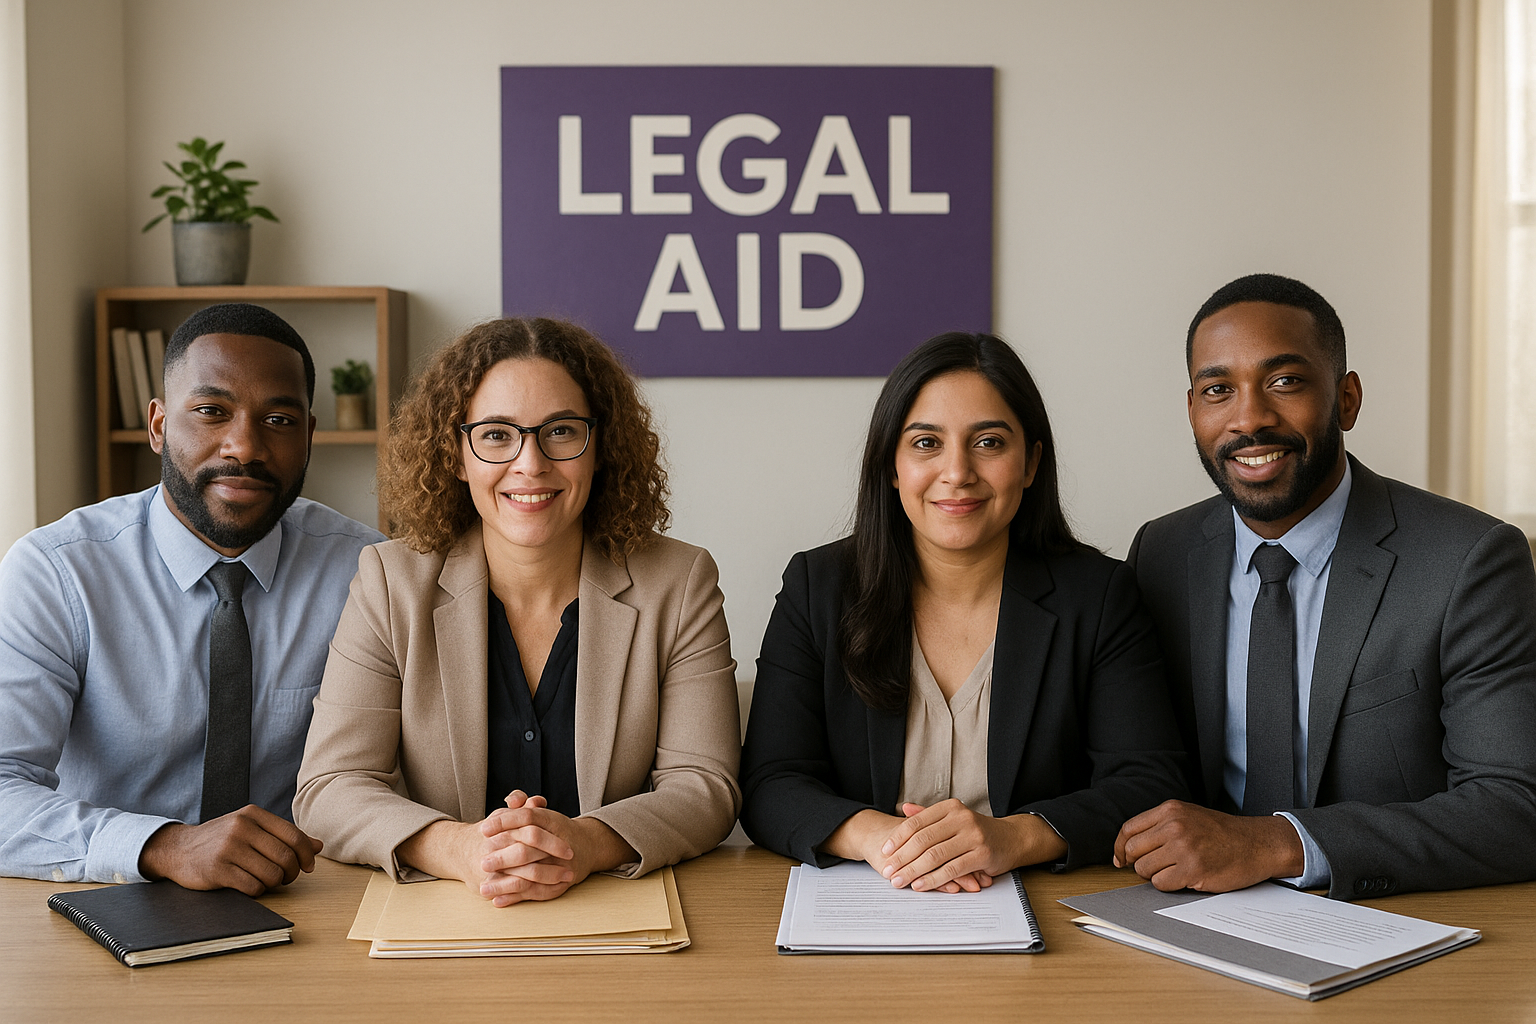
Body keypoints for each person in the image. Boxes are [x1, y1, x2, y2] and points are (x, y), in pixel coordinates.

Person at [1115, 273, 1536, 899]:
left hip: (1396, 929)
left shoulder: (1471, 561)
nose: (1250, 417)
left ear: (1346, 399)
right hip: (1192, 922)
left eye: (1285, 382)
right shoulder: (1161, 554)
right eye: (1218, 390)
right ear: (1193, 411)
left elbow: (1516, 808)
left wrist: (1273, 845)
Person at [294, 317, 740, 905]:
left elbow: (705, 787)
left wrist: (586, 843)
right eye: (498, 435)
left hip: (616, 912)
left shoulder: (678, 582)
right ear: (455, 454)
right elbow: (329, 788)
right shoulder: (390, 580)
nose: (530, 463)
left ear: (600, 446)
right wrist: (459, 848)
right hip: (449, 915)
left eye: (559, 431)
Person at [739, 332, 1186, 893]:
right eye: (926, 443)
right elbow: (769, 783)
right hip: (869, 903)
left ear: (1030, 463)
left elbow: (1149, 781)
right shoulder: (817, 588)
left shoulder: (1099, 596)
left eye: (990, 443)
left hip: (1045, 915)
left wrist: (1014, 837)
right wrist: (881, 840)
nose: (957, 472)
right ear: (892, 466)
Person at [0, 303, 383, 892]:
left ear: (310, 435)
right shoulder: (57, 574)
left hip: (308, 903)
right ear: (157, 425)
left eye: (279, 420)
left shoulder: (369, 573)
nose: (244, 446)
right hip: (105, 900)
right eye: (211, 412)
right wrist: (163, 846)